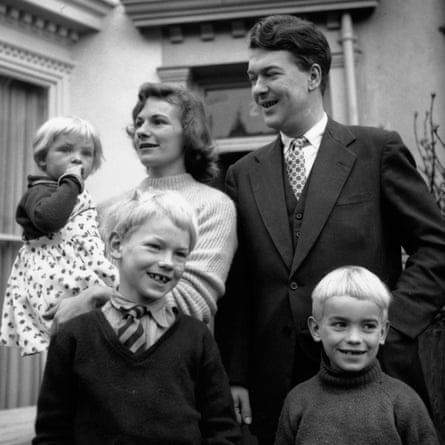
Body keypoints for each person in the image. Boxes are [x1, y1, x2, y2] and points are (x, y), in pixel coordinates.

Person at [214, 14, 445, 445]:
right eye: (252, 77)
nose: (257, 89)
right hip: (277, 386)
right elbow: (239, 286)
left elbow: (436, 246)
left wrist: (391, 325)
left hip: (376, 374)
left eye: (270, 74)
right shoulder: (242, 174)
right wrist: (237, 375)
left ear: (313, 75)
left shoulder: (377, 151)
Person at [33, 190, 241, 445]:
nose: (168, 262)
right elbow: (51, 433)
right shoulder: (73, 335)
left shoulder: (197, 338)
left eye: (180, 254)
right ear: (117, 246)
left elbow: (223, 431)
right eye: (155, 246)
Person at [46, 82, 237, 330]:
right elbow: (74, 292)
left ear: (188, 133)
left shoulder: (213, 206)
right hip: (97, 358)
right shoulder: (107, 211)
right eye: (139, 123)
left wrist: (98, 296)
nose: (142, 131)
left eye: (158, 122)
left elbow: (192, 303)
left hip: (171, 361)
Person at [274, 265, 439, 445]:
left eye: (368, 326)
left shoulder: (404, 403)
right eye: (340, 324)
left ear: (383, 332)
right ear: (316, 329)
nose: (354, 338)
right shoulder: (298, 402)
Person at [0, 116, 118, 356]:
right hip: (54, 276)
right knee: (72, 340)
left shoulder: (71, 193)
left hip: (80, 274)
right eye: (65, 149)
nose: (77, 157)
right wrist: (72, 181)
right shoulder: (40, 190)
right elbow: (51, 219)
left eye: (86, 153)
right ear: (43, 158)